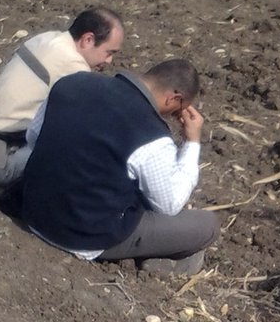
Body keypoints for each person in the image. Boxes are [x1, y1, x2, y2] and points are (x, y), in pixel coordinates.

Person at [21, 59, 219, 276]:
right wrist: (192, 142)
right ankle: (164, 266)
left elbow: (33, 137)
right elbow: (169, 205)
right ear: (174, 98)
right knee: (207, 226)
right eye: (176, 111)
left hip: (31, 211)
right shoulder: (152, 136)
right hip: (81, 235)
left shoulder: (72, 83)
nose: (172, 117)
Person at [0, 7, 125, 185]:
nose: (109, 61)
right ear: (88, 39)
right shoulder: (72, 66)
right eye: (109, 52)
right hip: (5, 163)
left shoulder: (47, 38)